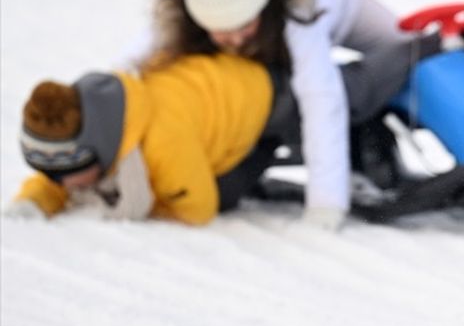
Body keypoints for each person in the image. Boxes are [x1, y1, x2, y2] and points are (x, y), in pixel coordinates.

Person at [140, 0, 464, 230]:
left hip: (339, 6)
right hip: (278, 42)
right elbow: (141, 56)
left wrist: (324, 207)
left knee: (408, 56)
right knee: (277, 95)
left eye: (244, 26)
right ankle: (365, 144)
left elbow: (323, 99)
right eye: (223, 32)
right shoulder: (187, 9)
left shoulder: (299, 11)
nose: (236, 39)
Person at [7, 54, 273, 225]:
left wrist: (150, 199)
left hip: (258, 96)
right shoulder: (101, 125)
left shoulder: (162, 144)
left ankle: (260, 157)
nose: (62, 184)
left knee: (224, 191)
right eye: (52, 174)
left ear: (96, 153)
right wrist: (32, 202)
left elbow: (198, 209)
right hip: (209, 75)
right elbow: (55, 180)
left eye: (63, 174)